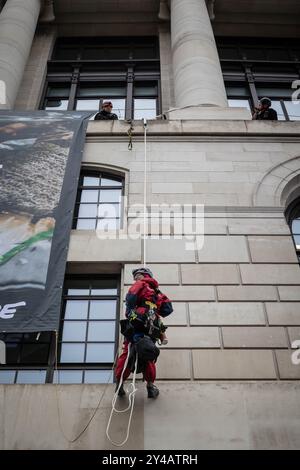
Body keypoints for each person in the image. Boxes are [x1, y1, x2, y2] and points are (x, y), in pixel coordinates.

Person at [115, 267, 173, 399]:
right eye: (135, 277)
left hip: (137, 323)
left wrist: (131, 311)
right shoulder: (158, 293)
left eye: (138, 275)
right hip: (151, 329)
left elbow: (130, 297)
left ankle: (119, 383)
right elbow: (168, 309)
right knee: (148, 355)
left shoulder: (140, 284)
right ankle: (150, 386)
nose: (135, 278)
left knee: (128, 351)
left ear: (145, 276)